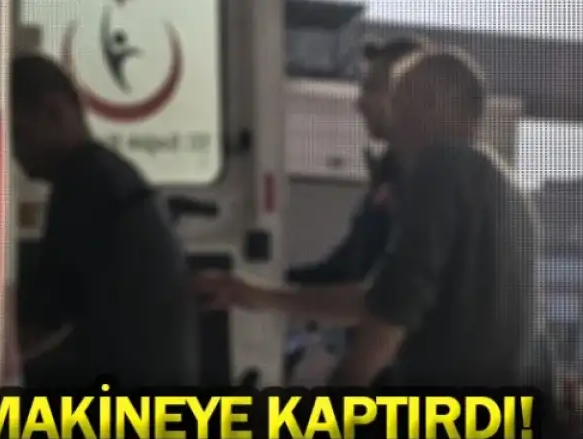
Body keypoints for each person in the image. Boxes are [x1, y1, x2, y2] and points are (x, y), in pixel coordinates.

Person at [194, 44, 538, 387]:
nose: (391, 117)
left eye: (397, 101)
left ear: (431, 103)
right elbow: (377, 298)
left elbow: (394, 306)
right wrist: (255, 295)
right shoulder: (510, 192)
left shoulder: (441, 166)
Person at [11, 53, 197, 388]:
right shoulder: (113, 176)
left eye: (19, 134)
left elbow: (48, 318)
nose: (15, 153)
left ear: (54, 112)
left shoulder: (85, 182)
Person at [282, 38, 424, 383]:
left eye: (372, 89)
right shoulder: (388, 178)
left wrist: (259, 295)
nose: (360, 103)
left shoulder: (428, 187)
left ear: (411, 98)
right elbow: (342, 270)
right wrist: (267, 278)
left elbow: (381, 299)